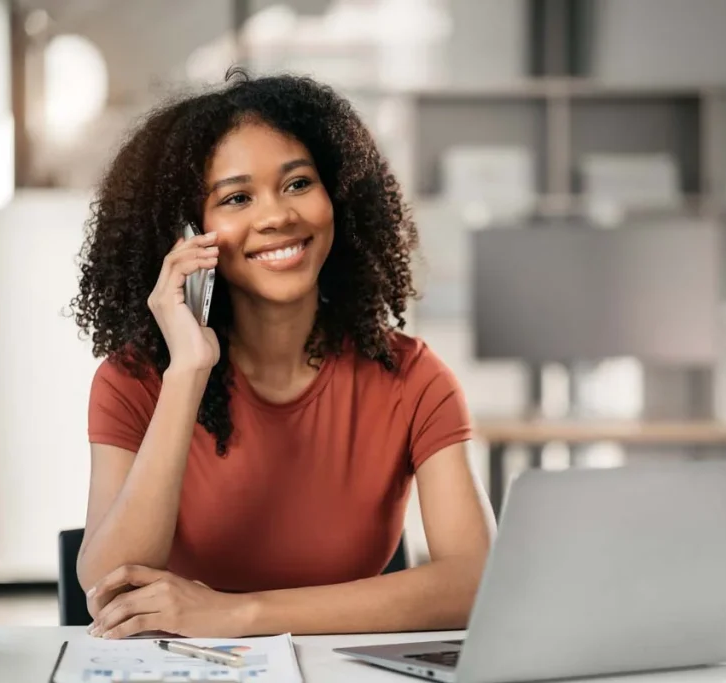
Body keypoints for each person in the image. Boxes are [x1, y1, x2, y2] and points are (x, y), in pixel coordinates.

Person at [70, 67, 496, 640]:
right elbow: (112, 589)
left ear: (337, 195)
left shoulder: (412, 379)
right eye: (237, 198)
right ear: (185, 232)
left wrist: (239, 615)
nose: (277, 216)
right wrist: (188, 371)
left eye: (298, 184)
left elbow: (475, 583)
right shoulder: (136, 381)